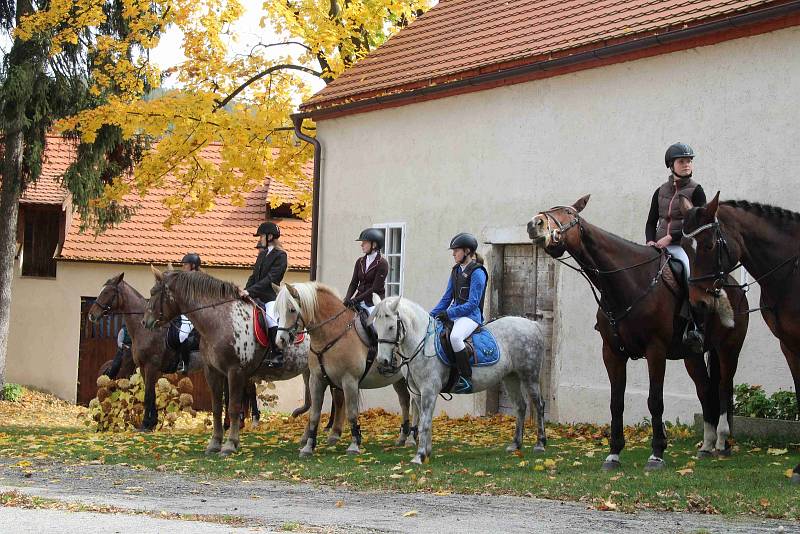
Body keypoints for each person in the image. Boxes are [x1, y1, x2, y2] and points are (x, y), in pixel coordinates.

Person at [645, 142, 707, 351]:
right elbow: (650, 221)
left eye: (689, 161)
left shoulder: (696, 190)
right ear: (671, 165)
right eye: (682, 161)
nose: (687, 164)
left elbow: (700, 223)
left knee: (688, 274)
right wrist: (650, 240)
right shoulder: (660, 191)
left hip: (683, 246)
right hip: (657, 245)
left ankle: (695, 326)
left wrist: (671, 238)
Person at [430, 233, 488, 393]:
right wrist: (431, 314)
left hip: (471, 317)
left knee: (455, 337)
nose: (453, 253)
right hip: (455, 315)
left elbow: (472, 303)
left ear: (467, 251)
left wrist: (448, 314)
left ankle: (466, 377)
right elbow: (447, 298)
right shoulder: (455, 271)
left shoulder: (478, 272)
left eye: (456, 250)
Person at [239, 222, 288, 367]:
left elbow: (270, 279)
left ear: (270, 236)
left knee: (271, 319)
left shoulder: (281, 255)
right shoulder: (262, 255)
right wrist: (245, 291)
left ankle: (277, 354)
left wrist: (251, 291)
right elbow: (254, 276)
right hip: (255, 295)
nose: (260, 239)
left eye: (261, 236)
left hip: (270, 296)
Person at [343, 228, 389, 314]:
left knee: (372, 324)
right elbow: (354, 283)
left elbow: (375, 288)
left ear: (374, 245)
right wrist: (347, 299)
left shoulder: (382, 263)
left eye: (365, 242)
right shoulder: (360, 261)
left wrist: (355, 300)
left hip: (374, 303)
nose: (362, 245)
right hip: (359, 301)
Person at [175, 253, 201, 374]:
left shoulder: (198, 279)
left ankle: (185, 364)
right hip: (183, 311)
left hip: (193, 313)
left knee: (182, 336)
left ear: (193, 266)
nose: (183, 267)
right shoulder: (184, 278)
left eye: (185, 264)